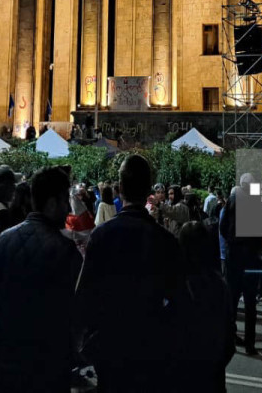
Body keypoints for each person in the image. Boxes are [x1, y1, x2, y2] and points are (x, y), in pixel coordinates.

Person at [76, 154, 184, 392]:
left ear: (120, 188)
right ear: (149, 190)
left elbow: (84, 295)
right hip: (150, 347)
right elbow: (180, 302)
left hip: (110, 346)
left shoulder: (102, 236)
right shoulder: (165, 240)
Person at [0, 166, 82, 393]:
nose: (68, 209)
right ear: (52, 203)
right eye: (65, 201)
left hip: (6, 361)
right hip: (47, 368)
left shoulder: (4, 241)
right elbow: (75, 315)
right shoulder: (65, 251)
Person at [176, 221, 235, 393]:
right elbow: (228, 330)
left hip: (182, 372)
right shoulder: (218, 283)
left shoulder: (175, 281)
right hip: (213, 370)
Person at [220, 173, 262, 354]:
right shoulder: (259, 203)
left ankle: (230, 338)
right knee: (250, 303)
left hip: (234, 257)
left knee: (232, 300)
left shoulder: (233, 200)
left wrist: (231, 242)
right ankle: (250, 344)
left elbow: (223, 226)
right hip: (252, 258)